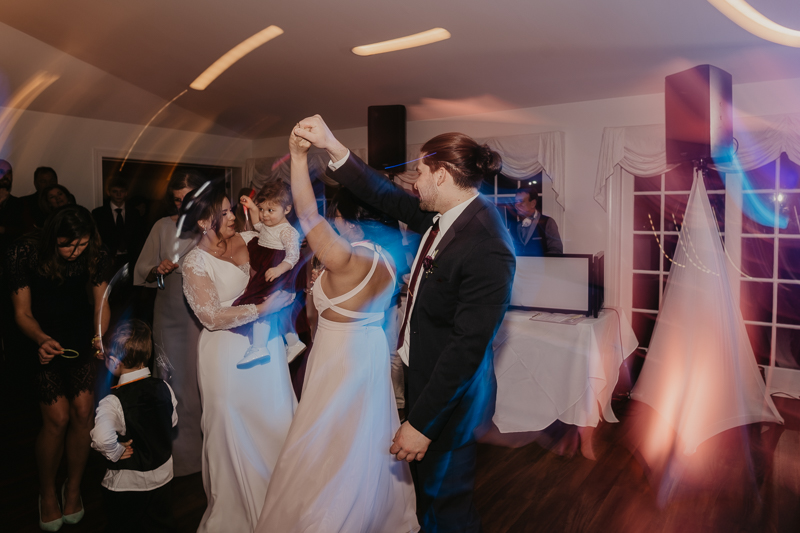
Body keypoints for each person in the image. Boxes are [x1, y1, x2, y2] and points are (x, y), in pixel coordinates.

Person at [295, 115, 516, 532]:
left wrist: (421, 423)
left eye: (421, 171)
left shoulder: (486, 246)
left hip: (451, 402)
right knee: (428, 499)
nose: (414, 181)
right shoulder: (446, 215)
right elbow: (381, 193)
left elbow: (466, 348)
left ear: (445, 176)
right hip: (425, 378)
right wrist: (331, 144)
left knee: (445, 507)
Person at [255, 128, 418, 533]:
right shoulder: (388, 258)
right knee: (364, 440)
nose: (334, 222)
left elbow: (307, 216)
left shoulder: (345, 260)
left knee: (325, 444)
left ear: (351, 221)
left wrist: (296, 157)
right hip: (369, 354)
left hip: (338, 361)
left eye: (339, 217)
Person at [180, 179, 296, 533]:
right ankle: (235, 515)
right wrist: (264, 308)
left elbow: (282, 247)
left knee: (275, 421)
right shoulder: (194, 263)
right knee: (231, 427)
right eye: (226, 211)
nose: (234, 215)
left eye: (231, 209)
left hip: (265, 345)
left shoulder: (248, 239)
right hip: (225, 352)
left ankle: (283, 505)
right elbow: (210, 317)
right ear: (204, 222)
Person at [6, 204, 111, 531]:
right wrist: (40, 339)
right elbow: (21, 312)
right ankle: (48, 491)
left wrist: (98, 337)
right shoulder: (24, 251)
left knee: (83, 412)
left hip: (79, 334)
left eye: (80, 244)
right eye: (67, 244)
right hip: (38, 335)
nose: (74, 251)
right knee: (58, 417)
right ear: (53, 236)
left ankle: (74, 487)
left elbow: (101, 304)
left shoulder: (95, 250)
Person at [133, 171, 205, 476]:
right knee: (171, 383)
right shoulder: (162, 227)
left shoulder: (209, 228)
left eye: (187, 198)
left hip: (200, 317)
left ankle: (206, 455)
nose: (182, 205)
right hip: (168, 314)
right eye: (177, 199)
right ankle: (177, 456)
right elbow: (142, 270)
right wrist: (157, 269)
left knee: (199, 384)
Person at [90, 319, 178, 533]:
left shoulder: (113, 401)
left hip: (128, 485)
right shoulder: (164, 387)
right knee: (161, 525)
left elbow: (101, 437)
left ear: (112, 361)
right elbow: (172, 421)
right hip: (163, 477)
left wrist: (116, 450)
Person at [234, 181, 305, 367]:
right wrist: (251, 207)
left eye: (271, 211)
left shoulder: (288, 232)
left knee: (262, 305)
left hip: (278, 270)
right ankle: (294, 342)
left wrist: (279, 269)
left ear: (287, 209)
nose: (265, 215)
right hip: (269, 268)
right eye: (262, 209)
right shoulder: (268, 224)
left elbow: (293, 255)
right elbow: (259, 226)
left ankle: (259, 346)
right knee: (278, 310)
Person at [91, 176, 147, 272]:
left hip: (130, 259)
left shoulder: (134, 213)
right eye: (115, 191)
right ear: (109, 192)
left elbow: (138, 236)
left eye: (121, 191)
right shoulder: (98, 213)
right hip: (107, 259)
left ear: (126, 193)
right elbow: (96, 237)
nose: (118, 194)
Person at [509, 188, 563, 256]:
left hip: (543, 266)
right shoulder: (513, 225)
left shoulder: (548, 222)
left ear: (533, 203)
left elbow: (556, 251)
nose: (517, 205)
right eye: (516, 202)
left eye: (521, 201)